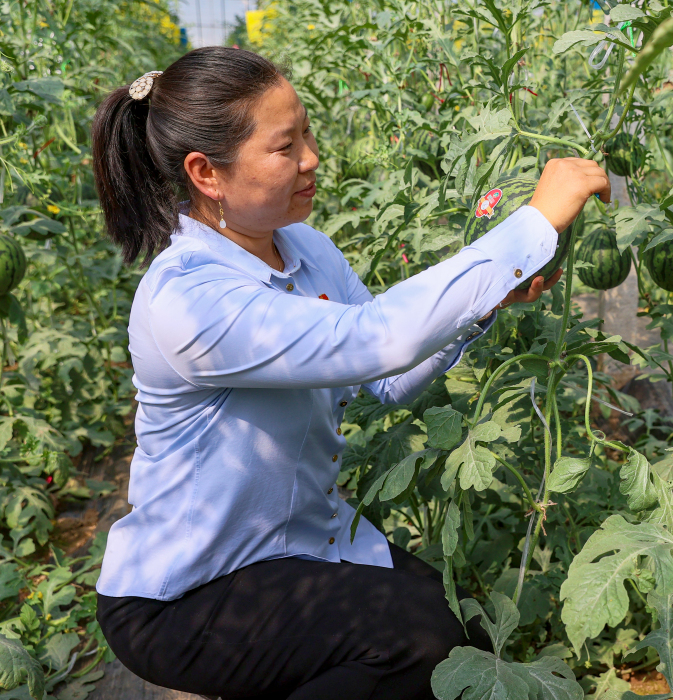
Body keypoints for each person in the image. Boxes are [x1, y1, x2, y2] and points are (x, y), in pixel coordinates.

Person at [89, 47, 610, 700]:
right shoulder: (186, 299)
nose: (312, 157)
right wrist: (529, 225)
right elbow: (376, 339)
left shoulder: (303, 245)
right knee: (414, 642)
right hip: (188, 595)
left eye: (307, 131)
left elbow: (383, 383)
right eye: (286, 146)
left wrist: (485, 305)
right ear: (206, 173)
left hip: (293, 548)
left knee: (453, 620)